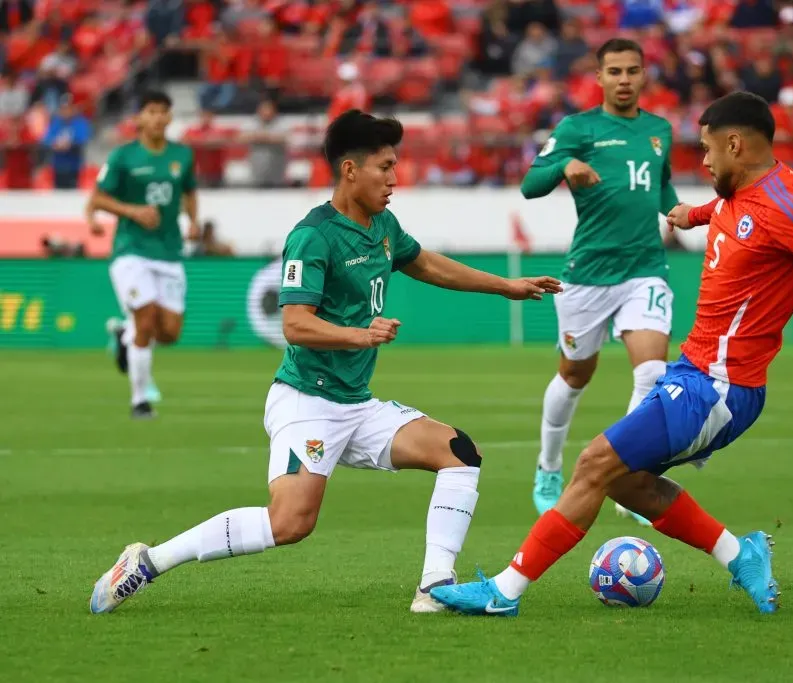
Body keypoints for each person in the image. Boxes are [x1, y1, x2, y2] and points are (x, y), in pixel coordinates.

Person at [431, 91, 793, 617]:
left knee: (593, 465)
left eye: (705, 149)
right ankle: (739, 553)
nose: (700, 161)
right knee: (626, 481)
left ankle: (504, 591)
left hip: (718, 389)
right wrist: (694, 214)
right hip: (695, 375)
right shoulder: (742, 192)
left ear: (736, 144)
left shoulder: (788, 207)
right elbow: (732, 210)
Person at [89, 109, 562, 615]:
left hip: (356, 405)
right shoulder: (313, 235)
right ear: (350, 170)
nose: (394, 179)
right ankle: (148, 561)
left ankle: (434, 586)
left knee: (459, 452)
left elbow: (423, 262)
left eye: (395, 166)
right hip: (307, 401)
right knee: (290, 524)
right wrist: (360, 335)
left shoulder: (382, 224)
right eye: (385, 167)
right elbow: (294, 323)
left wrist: (505, 287)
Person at [523, 38, 680, 526]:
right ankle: (548, 468)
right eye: (615, 72)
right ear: (599, 78)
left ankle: (630, 476)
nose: (625, 80)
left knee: (653, 373)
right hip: (588, 276)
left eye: (633, 71)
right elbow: (531, 185)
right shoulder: (579, 127)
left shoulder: (659, 131)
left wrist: (684, 212)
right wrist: (562, 165)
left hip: (645, 269)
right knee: (575, 375)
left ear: (644, 75)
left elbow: (662, 187)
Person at [86, 91, 200, 417]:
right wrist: (132, 211)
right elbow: (97, 198)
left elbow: (190, 192)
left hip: (169, 252)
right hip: (130, 250)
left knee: (169, 333)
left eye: (164, 111)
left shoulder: (182, 155)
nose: (158, 117)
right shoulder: (123, 157)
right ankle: (140, 400)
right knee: (146, 319)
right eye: (151, 111)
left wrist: (192, 221)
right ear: (138, 118)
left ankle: (125, 335)